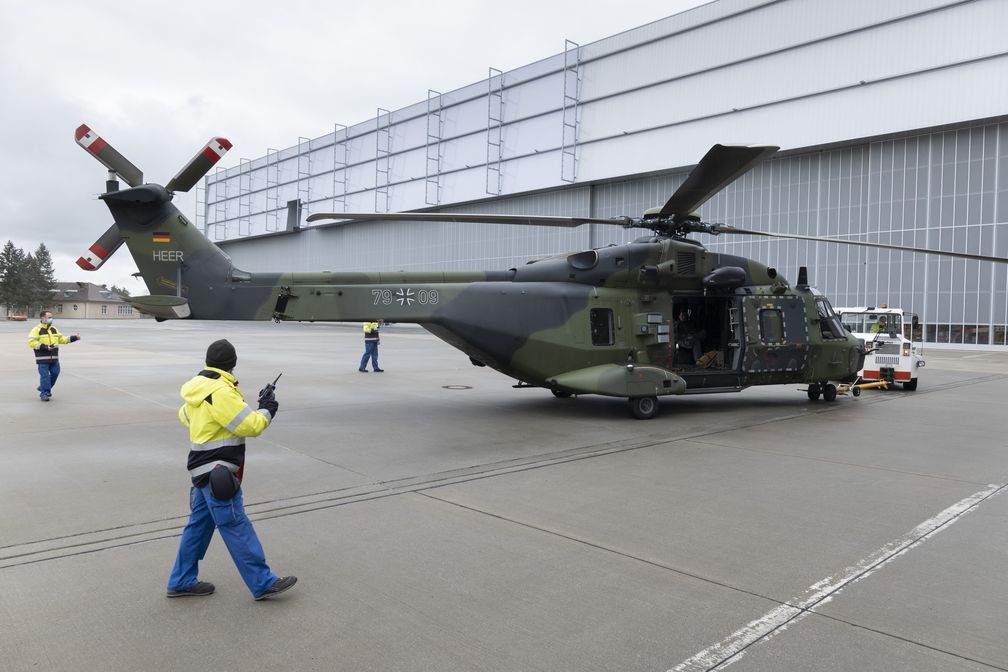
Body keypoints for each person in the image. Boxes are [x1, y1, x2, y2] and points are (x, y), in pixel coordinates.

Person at [166, 339, 297, 601]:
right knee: (235, 524)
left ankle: (181, 580)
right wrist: (267, 408)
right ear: (232, 364)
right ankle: (262, 582)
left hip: (200, 471)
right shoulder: (221, 391)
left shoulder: (197, 389)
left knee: (197, 528)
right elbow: (250, 426)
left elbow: (186, 416)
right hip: (219, 471)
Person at [27, 310, 80, 401]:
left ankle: (43, 387)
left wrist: (74, 338)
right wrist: (45, 347)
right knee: (45, 376)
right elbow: (31, 342)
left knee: (55, 373)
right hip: (42, 358)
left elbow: (62, 339)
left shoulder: (54, 329)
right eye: (49, 317)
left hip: (54, 358)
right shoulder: (36, 330)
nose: (51, 319)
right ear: (43, 318)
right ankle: (44, 393)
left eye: (51, 317)